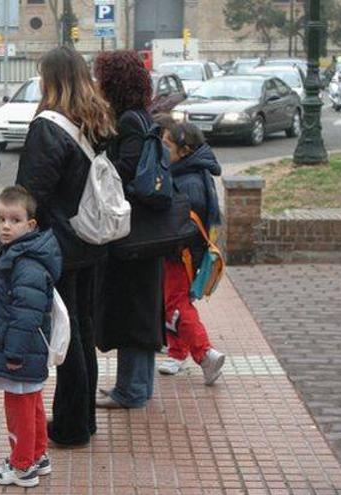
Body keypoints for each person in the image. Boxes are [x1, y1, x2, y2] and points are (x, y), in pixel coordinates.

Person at [16, 46, 116, 447]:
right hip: (92, 236)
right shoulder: (97, 119)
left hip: (58, 243)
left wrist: (15, 238)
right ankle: (84, 418)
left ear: (50, 78)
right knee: (83, 328)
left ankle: (72, 425)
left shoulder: (48, 126)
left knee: (66, 331)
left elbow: (31, 192)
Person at [0, 186, 61, 488]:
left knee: (19, 407)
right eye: (0, 219)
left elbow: (26, 313)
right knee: (31, 401)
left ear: (30, 225)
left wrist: (14, 354)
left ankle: (22, 466)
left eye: (14, 220)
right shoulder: (19, 253)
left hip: (20, 351)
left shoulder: (26, 262)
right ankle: (38, 455)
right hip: (25, 350)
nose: (6, 226)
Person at [92, 50, 165, 410]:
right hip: (139, 231)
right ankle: (134, 385)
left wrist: (99, 160)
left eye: (101, 78)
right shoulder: (135, 116)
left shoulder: (131, 122)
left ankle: (133, 389)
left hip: (134, 232)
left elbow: (127, 170)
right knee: (136, 306)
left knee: (134, 307)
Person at [155, 122, 226, 385]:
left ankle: (205, 354)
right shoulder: (191, 172)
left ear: (183, 151)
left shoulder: (188, 181)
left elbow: (184, 225)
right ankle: (177, 352)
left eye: (166, 146)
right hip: (184, 253)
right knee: (175, 303)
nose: (161, 150)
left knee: (177, 305)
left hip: (181, 254)